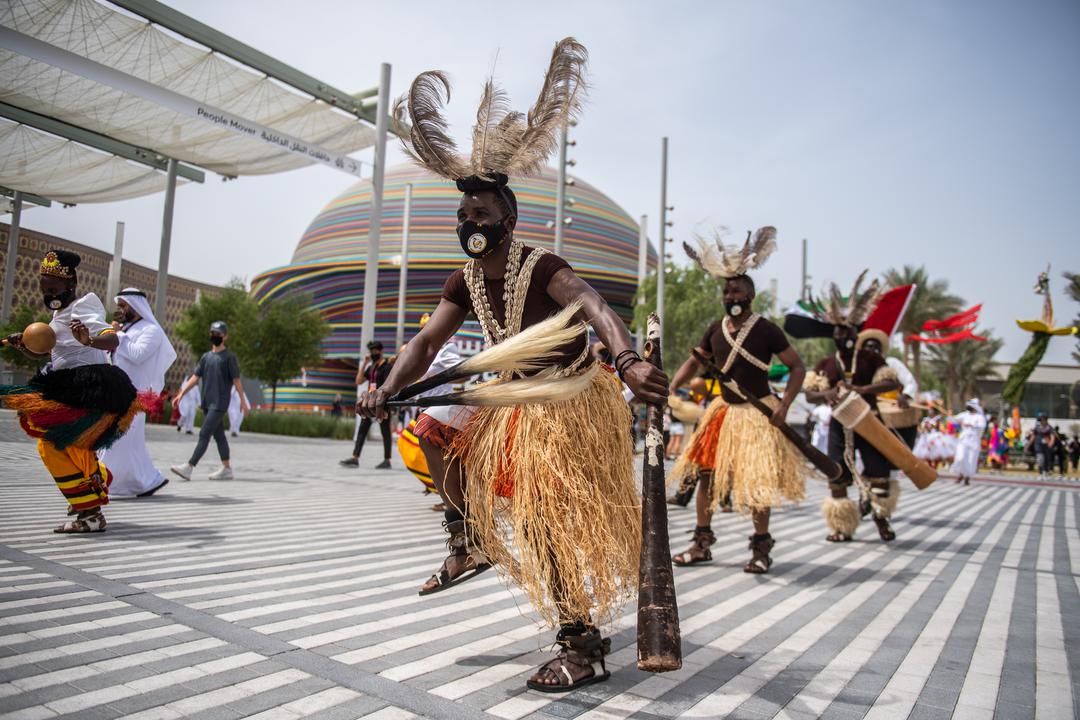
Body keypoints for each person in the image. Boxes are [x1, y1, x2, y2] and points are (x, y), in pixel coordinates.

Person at [364, 38, 668, 692]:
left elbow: (590, 304)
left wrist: (629, 360)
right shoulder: (465, 278)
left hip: (568, 407)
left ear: (507, 218)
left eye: (481, 213)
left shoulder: (543, 266)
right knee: (432, 436)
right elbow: (422, 346)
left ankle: (581, 645)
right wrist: (386, 387)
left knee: (549, 526)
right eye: (463, 212)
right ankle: (470, 536)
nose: (470, 221)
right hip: (511, 402)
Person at [667, 227, 808, 574]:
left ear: (750, 293)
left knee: (757, 482)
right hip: (722, 414)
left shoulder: (767, 329)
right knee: (706, 478)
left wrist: (785, 404)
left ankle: (761, 549)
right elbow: (695, 360)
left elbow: (797, 367)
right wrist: (672, 386)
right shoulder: (716, 329)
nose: (731, 293)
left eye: (737, 288)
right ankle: (701, 544)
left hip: (757, 414)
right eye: (727, 289)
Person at [0, 250, 144, 533]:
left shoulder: (84, 306)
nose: (48, 291)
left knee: (54, 445)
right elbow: (54, 354)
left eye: (53, 286)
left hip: (88, 388)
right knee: (69, 444)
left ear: (70, 284)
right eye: (44, 286)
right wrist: (26, 347)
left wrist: (89, 339)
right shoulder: (59, 312)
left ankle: (90, 512)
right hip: (68, 384)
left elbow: (110, 337)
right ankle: (96, 482)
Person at [803, 273, 903, 542]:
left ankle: (882, 520)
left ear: (855, 332)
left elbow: (891, 382)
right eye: (838, 331)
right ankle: (841, 526)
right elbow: (810, 394)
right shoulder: (826, 363)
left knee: (879, 474)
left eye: (846, 331)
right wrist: (829, 393)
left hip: (869, 421)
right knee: (836, 474)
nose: (842, 335)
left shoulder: (871, 358)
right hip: (839, 425)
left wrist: (863, 390)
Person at [100, 288, 177, 498]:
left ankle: (111, 483)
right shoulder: (128, 329)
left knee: (120, 440)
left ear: (136, 306)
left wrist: (118, 335)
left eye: (124, 305)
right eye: (120, 306)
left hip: (135, 394)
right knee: (127, 441)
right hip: (118, 391)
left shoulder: (151, 330)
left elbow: (138, 354)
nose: (121, 310)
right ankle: (146, 481)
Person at [170, 321, 248, 481]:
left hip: (219, 404)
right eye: (212, 333)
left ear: (225, 336)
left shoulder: (229, 358)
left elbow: (237, 381)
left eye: (218, 334)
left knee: (204, 434)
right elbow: (195, 378)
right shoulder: (206, 357)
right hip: (207, 403)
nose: (215, 336)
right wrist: (181, 393)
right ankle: (227, 469)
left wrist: (243, 401)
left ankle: (189, 467)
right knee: (219, 436)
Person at [340, 340, 394, 469]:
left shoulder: (386, 366)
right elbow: (358, 381)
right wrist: (364, 363)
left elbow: (389, 385)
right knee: (362, 429)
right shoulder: (371, 368)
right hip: (370, 403)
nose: (373, 353)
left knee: (385, 431)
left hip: (382, 403)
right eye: (371, 351)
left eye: (375, 351)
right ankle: (355, 458)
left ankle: (387, 460)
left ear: (381, 351)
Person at [950, 399, 987, 485]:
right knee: (961, 457)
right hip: (963, 440)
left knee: (971, 459)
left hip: (974, 441)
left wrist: (972, 425)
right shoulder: (964, 415)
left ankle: (966, 477)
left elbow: (982, 426)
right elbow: (953, 419)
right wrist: (951, 417)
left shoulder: (980, 417)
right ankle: (960, 473)